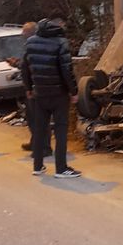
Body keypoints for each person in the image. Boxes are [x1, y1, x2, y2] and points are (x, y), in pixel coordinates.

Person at [21, 12, 81, 178]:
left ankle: (38, 166)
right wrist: (74, 92)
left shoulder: (30, 43)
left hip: (39, 93)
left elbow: (24, 67)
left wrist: (28, 87)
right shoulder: (61, 43)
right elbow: (67, 70)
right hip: (58, 94)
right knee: (61, 130)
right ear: (57, 27)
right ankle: (61, 168)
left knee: (40, 129)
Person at [6, 21, 52, 156]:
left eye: (24, 31)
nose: (22, 34)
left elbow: (29, 66)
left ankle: (44, 148)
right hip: (34, 86)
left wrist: (17, 64)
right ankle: (36, 143)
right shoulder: (37, 45)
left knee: (40, 119)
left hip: (37, 87)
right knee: (32, 118)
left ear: (32, 33)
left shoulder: (36, 46)